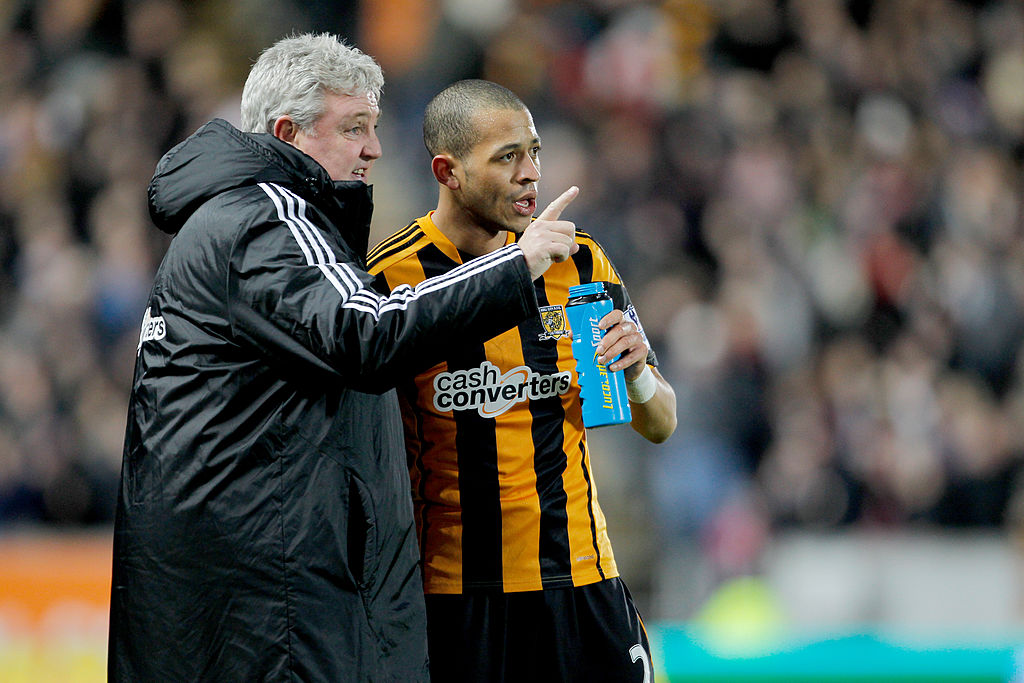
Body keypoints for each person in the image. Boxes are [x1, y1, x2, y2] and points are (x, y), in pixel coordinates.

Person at [108, 37, 579, 682]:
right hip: (270, 611)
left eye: (375, 127)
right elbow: (365, 333)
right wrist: (513, 266)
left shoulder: (231, 219)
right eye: (354, 128)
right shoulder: (265, 219)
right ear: (287, 132)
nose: (374, 149)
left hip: (236, 601)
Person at [367, 79, 677, 682]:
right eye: (507, 157)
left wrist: (637, 373)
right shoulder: (390, 282)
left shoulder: (581, 261)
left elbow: (661, 424)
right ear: (447, 171)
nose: (531, 172)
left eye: (534, 151)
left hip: (585, 579)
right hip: (458, 598)